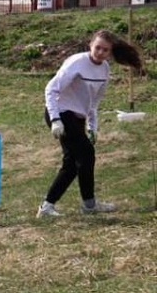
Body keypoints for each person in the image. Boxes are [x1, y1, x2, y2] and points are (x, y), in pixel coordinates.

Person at [36, 29, 143, 218]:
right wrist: (55, 119)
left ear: (110, 53)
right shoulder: (76, 63)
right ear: (90, 45)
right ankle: (89, 204)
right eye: (98, 48)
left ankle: (47, 206)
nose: (100, 52)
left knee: (72, 164)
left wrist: (92, 127)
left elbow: (93, 102)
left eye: (105, 50)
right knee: (86, 154)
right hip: (61, 114)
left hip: (77, 118)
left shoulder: (104, 70)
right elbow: (51, 89)